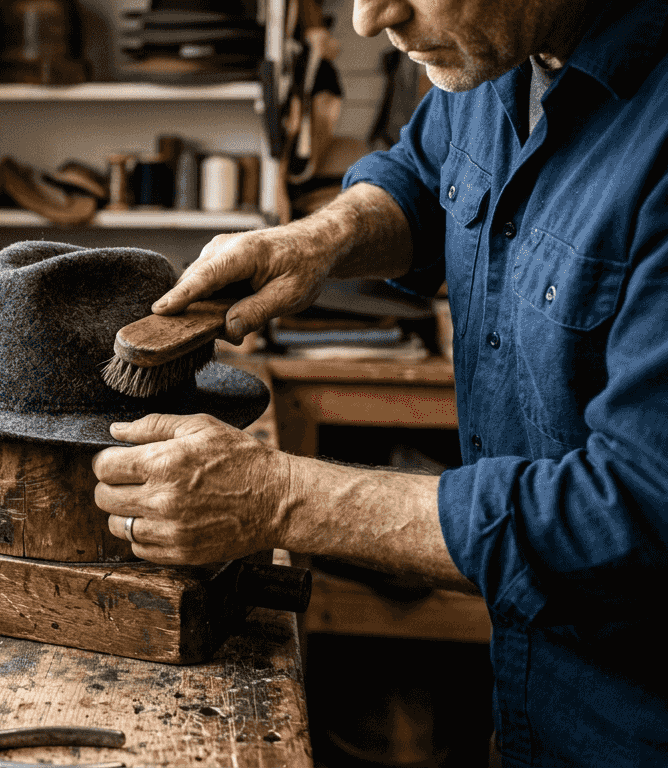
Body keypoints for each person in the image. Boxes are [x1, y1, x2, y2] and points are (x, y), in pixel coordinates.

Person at [92, 0, 668, 765]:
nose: (370, 19)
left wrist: (279, 498)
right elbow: (426, 177)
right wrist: (323, 238)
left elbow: (635, 514)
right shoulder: (501, 51)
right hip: (530, 687)